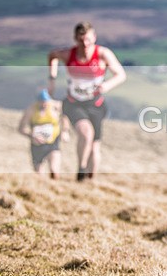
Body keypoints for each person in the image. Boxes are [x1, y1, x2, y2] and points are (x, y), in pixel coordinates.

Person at [48, 21, 126, 181]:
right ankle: (81, 170)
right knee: (86, 133)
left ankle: (90, 181)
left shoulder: (103, 54)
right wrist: (52, 79)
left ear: (94, 37)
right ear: (75, 39)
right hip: (73, 103)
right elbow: (52, 56)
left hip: (96, 104)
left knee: (94, 147)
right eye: (81, 40)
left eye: (88, 40)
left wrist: (106, 85)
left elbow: (121, 75)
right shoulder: (67, 54)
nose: (85, 44)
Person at [17, 88, 70, 179]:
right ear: (38, 101)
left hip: (53, 142)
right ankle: (42, 186)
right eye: (42, 102)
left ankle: (55, 185)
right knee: (39, 174)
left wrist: (65, 131)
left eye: (46, 102)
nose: (44, 105)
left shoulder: (55, 107)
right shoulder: (31, 110)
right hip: (37, 144)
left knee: (54, 170)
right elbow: (21, 128)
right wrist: (32, 136)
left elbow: (65, 117)